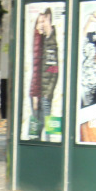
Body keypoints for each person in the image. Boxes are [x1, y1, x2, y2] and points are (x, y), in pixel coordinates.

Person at [27, 8, 60, 138]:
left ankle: (38, 145)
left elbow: (53, 68)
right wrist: (36, 94)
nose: (42, 24)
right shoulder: (38, 40)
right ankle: (36, 145)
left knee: (44, 124)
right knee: (39, 123)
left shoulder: (46, 40)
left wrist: (46, 93)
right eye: (40, 22)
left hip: (44, 92)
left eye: (44, 21)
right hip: (40, 92)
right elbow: (37, 69)